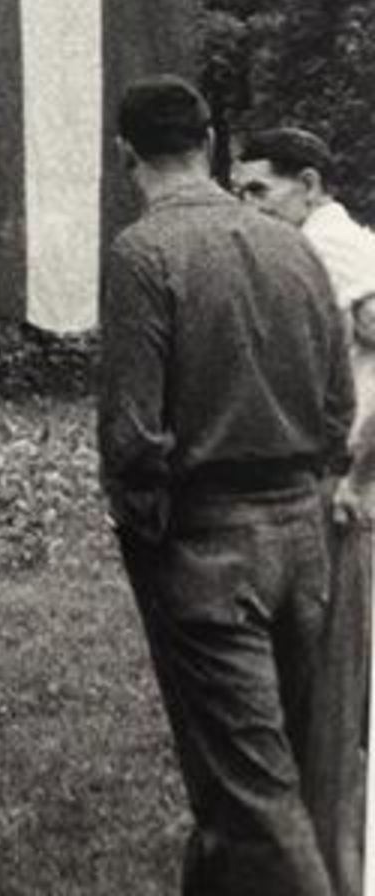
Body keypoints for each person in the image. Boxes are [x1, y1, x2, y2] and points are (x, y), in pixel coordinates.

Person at [99, 76, 353, 896]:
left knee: (255, 792)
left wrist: (145, 529)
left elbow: (132, 435)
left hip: (206, 545)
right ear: (209, 142)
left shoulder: (143, 253)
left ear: (124, 155)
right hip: (308, 541)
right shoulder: (294, 243)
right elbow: (339, 405)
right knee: (275, 772)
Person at [234, 126, 375, 896]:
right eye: (239, 191)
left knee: (338, 695)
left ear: (311, 183)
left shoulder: (331, 242)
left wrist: (357, 473)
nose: (248, 205)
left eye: (261, 189)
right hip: (330, 480)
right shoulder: (311, 244)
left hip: (354, 489)